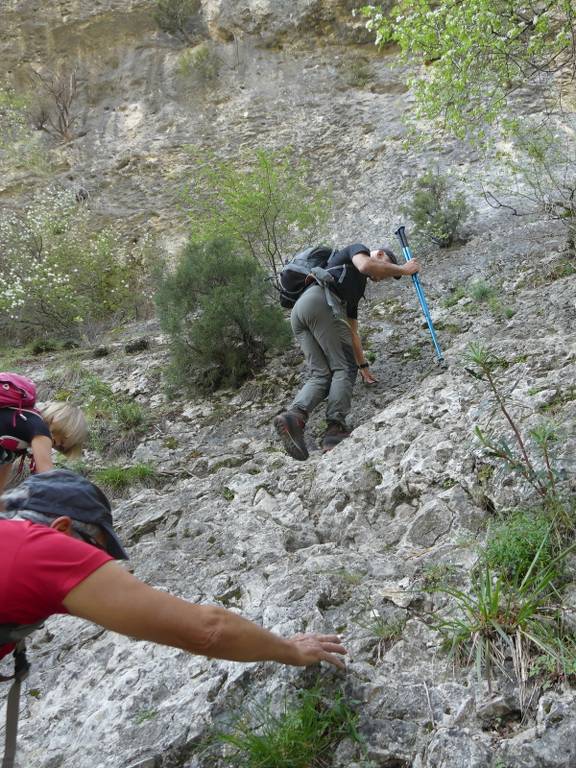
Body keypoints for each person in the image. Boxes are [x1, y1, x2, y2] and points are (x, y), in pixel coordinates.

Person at [0, 469, 347, 671]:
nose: (97, 562)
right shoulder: (44, 550)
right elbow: (206, 630)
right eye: (97, 549)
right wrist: (291, 650)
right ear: (62, 529)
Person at [274, 243, 420, 459]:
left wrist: (363, 366)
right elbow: (365, 266)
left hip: (301, 311)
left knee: (322, 374)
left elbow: (352, 333)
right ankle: (335, 429)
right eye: (387, 270)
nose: (383, 278)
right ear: (380, 255)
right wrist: (404, 270)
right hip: (322, 303)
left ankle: (294, 417)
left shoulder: (353, 288)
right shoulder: (357, 251)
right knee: (343, 368)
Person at [0, 401, 87, 494]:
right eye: (61, 442)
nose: (55, 445)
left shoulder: (23, 422)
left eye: (60, 448)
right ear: (64, 425)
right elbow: (48, 479)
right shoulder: (41, 431)